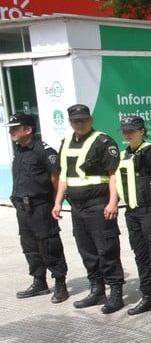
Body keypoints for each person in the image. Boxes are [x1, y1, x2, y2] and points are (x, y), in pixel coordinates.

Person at [51, 104, 125, 314]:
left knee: (107, 249)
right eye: (76, 120)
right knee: (87, 251)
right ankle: (97, 289)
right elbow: (64, 176)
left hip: (98, 205)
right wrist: (57, 202)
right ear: (70, 122)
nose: (80, 123)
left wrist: (113, 202)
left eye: (83, 119)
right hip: (76, 207)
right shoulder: (65, 142)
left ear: (90, 120)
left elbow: (113, 174)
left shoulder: (102, 141)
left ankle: (116, 293)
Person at [8, 112, 69, 303]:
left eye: (15, 128)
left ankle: (60, 283)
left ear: (28, 129)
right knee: (29, 246)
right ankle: (39, 281)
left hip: (40, 206)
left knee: (49, 244)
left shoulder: (44, 151)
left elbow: (55, 179)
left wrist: (52, 202)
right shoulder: (19, 150)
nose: (11, 132)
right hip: (22, 209)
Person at [116, 116, 151, 316]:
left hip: (150, 211)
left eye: (132, 130)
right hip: (132, 211)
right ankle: (147, 297)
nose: (127, 134)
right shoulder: (125, 154)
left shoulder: (150, 151)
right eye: (125, 131)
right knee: (141, 256)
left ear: (142, 131)